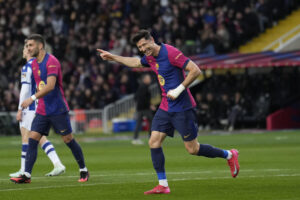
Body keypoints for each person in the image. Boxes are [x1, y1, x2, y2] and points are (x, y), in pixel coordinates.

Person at [97, 29, 240, 195]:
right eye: (140, 47)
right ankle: (163, 184)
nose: (143, 49)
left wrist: (178, 90)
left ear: (152, 40)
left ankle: (229, 155)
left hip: (183, 108)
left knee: (193, 149)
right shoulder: (150, 57)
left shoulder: (171, 52)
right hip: (165, 107)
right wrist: (113, 57)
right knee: (154, 141)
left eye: (144, 44)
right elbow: (135, 63)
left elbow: (195, 70)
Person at [10, 34, 89, 184]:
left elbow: (50, 86)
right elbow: (34, 85)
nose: (28, 48)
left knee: (68, 139)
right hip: (42, 110)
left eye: (30, 45)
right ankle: (26, 175)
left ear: (40, 46)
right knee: (32, 139)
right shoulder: (33, 64)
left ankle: (83, 169)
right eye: (27, 46)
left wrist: (31, 99)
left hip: (57, 109)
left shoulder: (52, 61)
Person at [9, 42, 66, 178]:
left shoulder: (27, 67)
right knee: (37, 138)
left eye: (25, 48)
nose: (24, 50)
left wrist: (19, 108)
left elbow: (25, 90)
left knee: (28, 137)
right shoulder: (39, 66)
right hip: (38, 105)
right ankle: (56, 164)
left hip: (30, 107)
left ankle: (25, 170)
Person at [132, 74, 154, 145]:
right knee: (151, 121)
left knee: (139, 123)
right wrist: (149, 105)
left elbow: (136, 97)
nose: (150, 80)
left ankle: (135, 138)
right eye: (148, 78)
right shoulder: (144, 87)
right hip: (144, 108)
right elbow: (142, 98)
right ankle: (151, 138)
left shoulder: (142, 86)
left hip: (141, 108)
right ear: (144, 79)